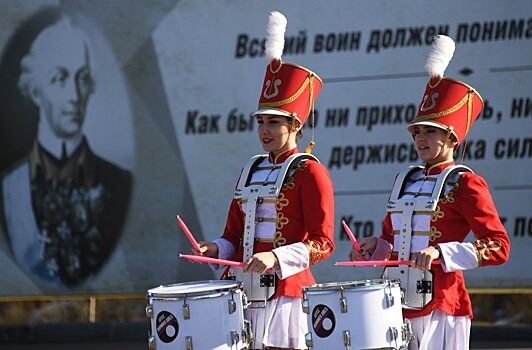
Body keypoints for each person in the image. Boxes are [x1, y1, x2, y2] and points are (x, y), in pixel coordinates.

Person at [349, 35, 510, 350]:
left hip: (443, 305)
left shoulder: (465, 183)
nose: (420, 138)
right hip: (396, 301)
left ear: (451, 138)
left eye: (430, 131)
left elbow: (498, 247)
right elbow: (392, 244)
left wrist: (442, 252)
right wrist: (373, 247)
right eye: (417, 131)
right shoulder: (404, 179)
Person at [192, 11, 335, 350]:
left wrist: (276, 257)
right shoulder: (251, 168)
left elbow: (323, 242)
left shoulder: (310, 171)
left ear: (296, 126)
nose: (265, 131)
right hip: (242, 290)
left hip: (286, 293)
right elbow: (233, 234)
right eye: (261, 122)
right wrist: (215, 249)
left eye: (274, 122)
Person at [0, 14, 132, 287]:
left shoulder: (120, 183)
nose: (74, 94)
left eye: (81, 78)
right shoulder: (7, 190)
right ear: (35, 91)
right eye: (59, 78)